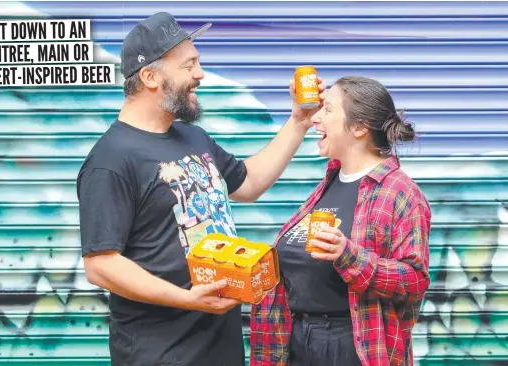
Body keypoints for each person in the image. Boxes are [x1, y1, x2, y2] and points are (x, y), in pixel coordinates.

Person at [76, 12, 324, 366]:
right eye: (188, 65)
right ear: (149, 76)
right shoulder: (111, 161)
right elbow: (101, 265)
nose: (200, 74)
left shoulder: (192, 136)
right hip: (160, 354)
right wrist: (186, 298)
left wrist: (298, 121)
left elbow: (249, 183)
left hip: (219, 347)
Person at [250, 76, 432, 366]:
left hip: (353, 348)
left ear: (359, 127)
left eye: (329, 110)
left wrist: (349, 256)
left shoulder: (400, 193)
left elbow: (414, 281)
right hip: (296, 342)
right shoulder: (328, 184)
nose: (316, 118)